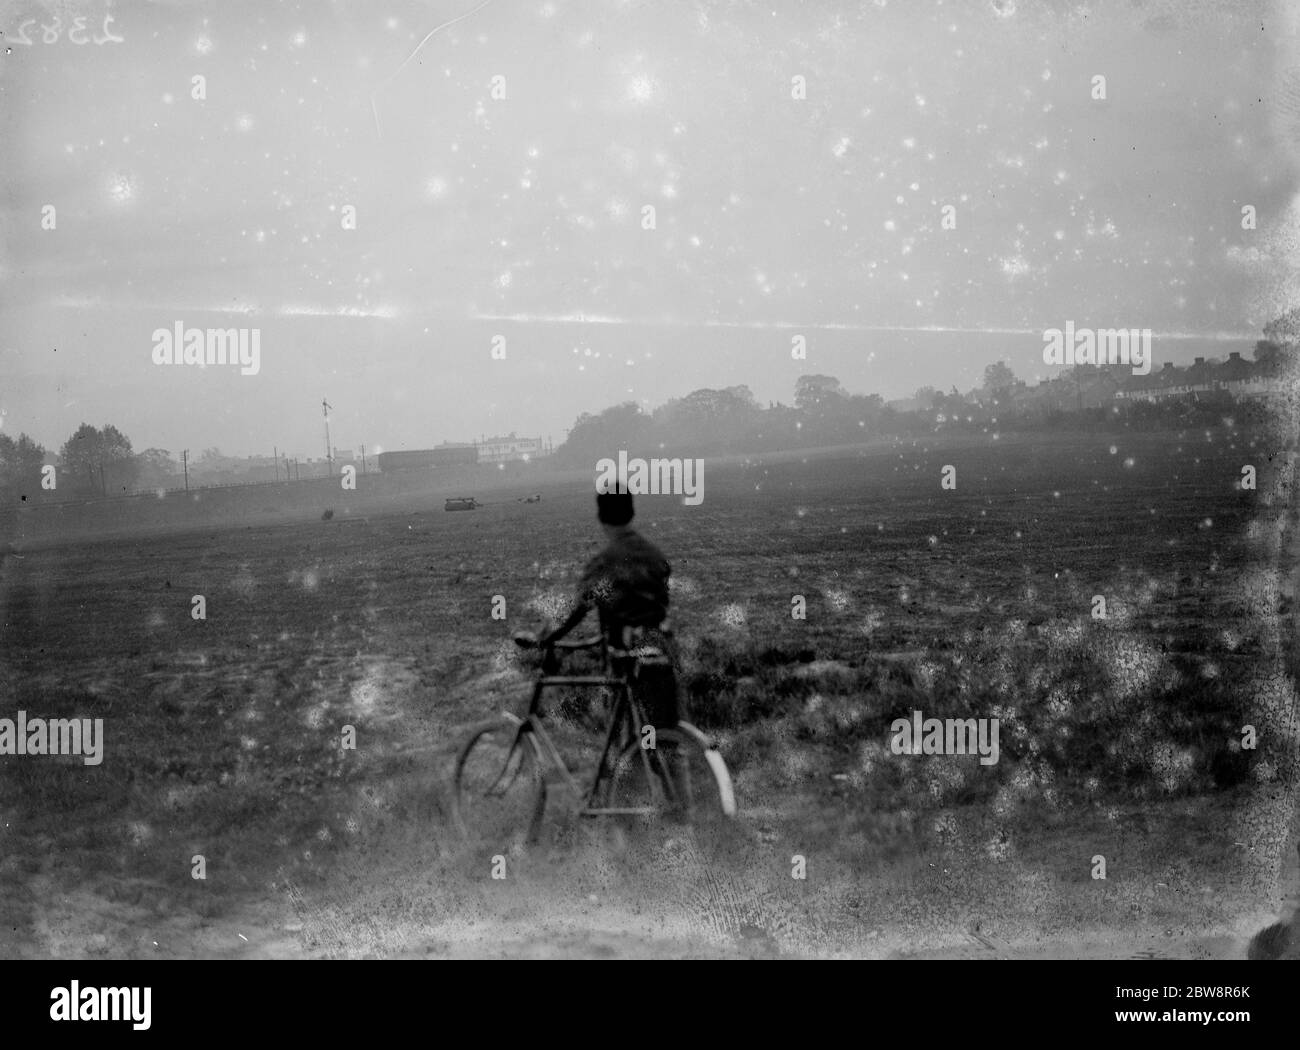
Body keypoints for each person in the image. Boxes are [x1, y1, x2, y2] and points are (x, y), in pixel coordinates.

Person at [532, 489, 681, 729]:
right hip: (663, 649)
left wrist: (545, 636)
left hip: (627, 654)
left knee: (625, 731)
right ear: (631, 511)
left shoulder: (606, 562)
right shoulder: (655, 555)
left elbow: (577, 607)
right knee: (665, 732)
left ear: (601, 516)